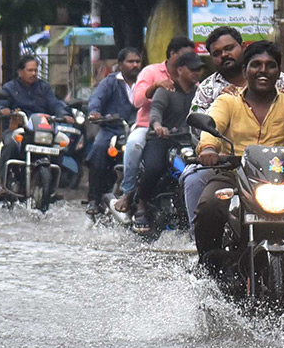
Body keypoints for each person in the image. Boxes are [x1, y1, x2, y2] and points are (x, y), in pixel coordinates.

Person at [194, 41, 284, 281]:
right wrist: (209, 148)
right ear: (245, 71)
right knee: (208, 206)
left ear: (278, 72)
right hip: (235, 174)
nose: (263, 70)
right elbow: (212, 127)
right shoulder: (227, 101)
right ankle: (209, 269)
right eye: (256, 65)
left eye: (270, 65)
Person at [181, 27, 284, 231]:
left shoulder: (279, 80)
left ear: (242, 47)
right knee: (195, 182)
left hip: (278, 162)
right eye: (217, 53)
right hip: (228, 163)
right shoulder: (209, 89)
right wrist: (209, 149)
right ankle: (201, 242)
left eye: (229, 48)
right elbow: (197, 128)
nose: (224, 55)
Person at [114, 36, 196, 215]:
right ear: (173, 55)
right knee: (135, 146)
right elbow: (138, 100)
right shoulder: (151, 72)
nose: (190, 62)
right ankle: (129, 193)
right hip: (148, 127)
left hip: (181, 132)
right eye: (185, 56)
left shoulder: (192, 79)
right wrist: (156, 86)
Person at [134, 50, 203, 231]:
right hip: (162, 139)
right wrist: (157, 125)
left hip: (189, 141)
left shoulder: (200, 92)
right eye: (193, 69)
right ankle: (141, 203)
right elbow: (156, 110)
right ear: (180, 70)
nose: (197, 73)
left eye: (199, 70)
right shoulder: (166, 90)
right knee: (153, 167)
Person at [0, 55, 71, 194]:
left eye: (35, 70)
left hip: (42, 131)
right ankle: (4, 185)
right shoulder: (10, 88)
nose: (33, 73)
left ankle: (53, 188)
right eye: (30, 70)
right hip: (19, 131)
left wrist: (64, 114)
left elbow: (55, 104)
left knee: (59, 146)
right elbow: (0, 105)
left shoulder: (44, 88)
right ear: (20, 72)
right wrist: (2, 111)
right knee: (9, 145)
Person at [85, 47, 141, 214]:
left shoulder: (145, 82)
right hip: (113, 129)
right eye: (130, 62)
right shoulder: (110, 82)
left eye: (138, 61)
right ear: (120, 64)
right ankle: (94, 199)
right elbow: (97, 98)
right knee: (99, 149)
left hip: (138, 130)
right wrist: (95, 112)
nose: (135, 65)